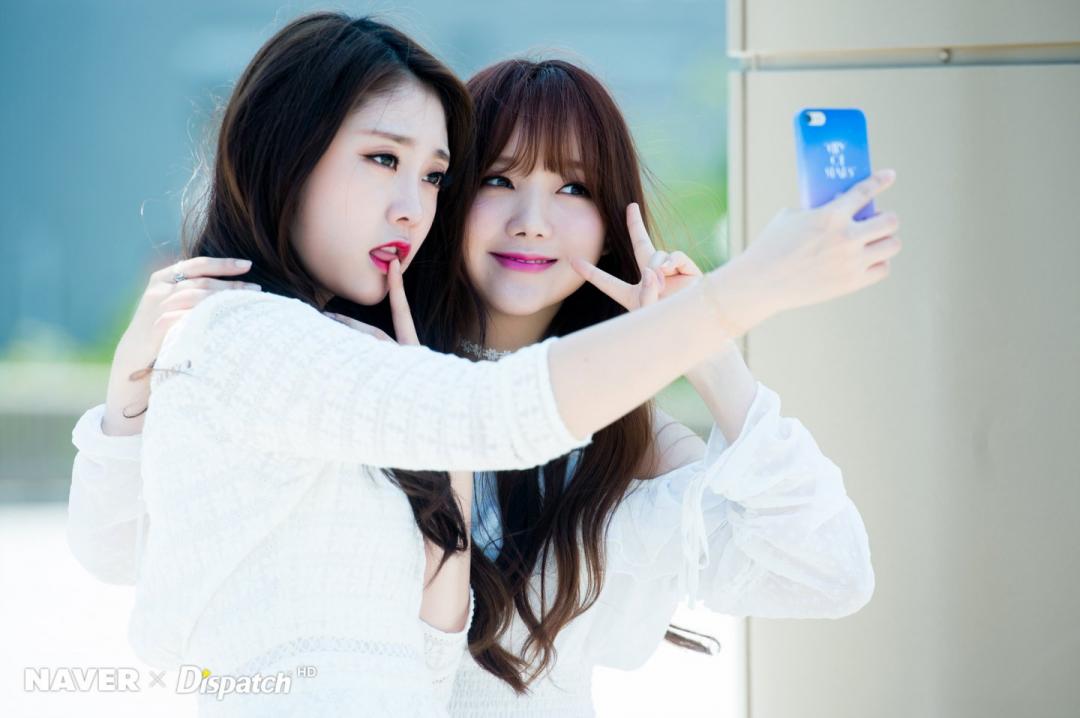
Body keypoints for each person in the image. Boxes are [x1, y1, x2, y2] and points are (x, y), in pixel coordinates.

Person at [67, 16, 902, 717]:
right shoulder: (347, 370)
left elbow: (829, 573)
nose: (532, 220)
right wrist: (129, 400)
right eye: (496, 179)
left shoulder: (621, 442)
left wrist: (708, 352)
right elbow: (131, 552)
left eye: (574, 189)